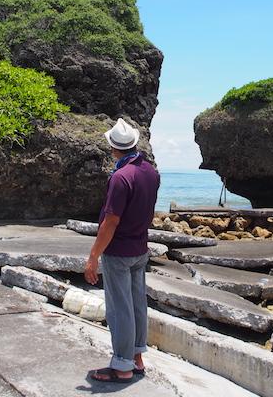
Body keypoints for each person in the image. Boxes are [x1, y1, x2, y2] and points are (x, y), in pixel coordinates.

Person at [85, 118, 160, 383]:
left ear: (113, 148)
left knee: (120, 309)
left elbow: (111, 221)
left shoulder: (120, 177)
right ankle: (137, 358)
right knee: (138, 304)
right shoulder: (150, 172)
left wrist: (93, 256)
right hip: (140, 248)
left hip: (119, 251)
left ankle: (123, 366)